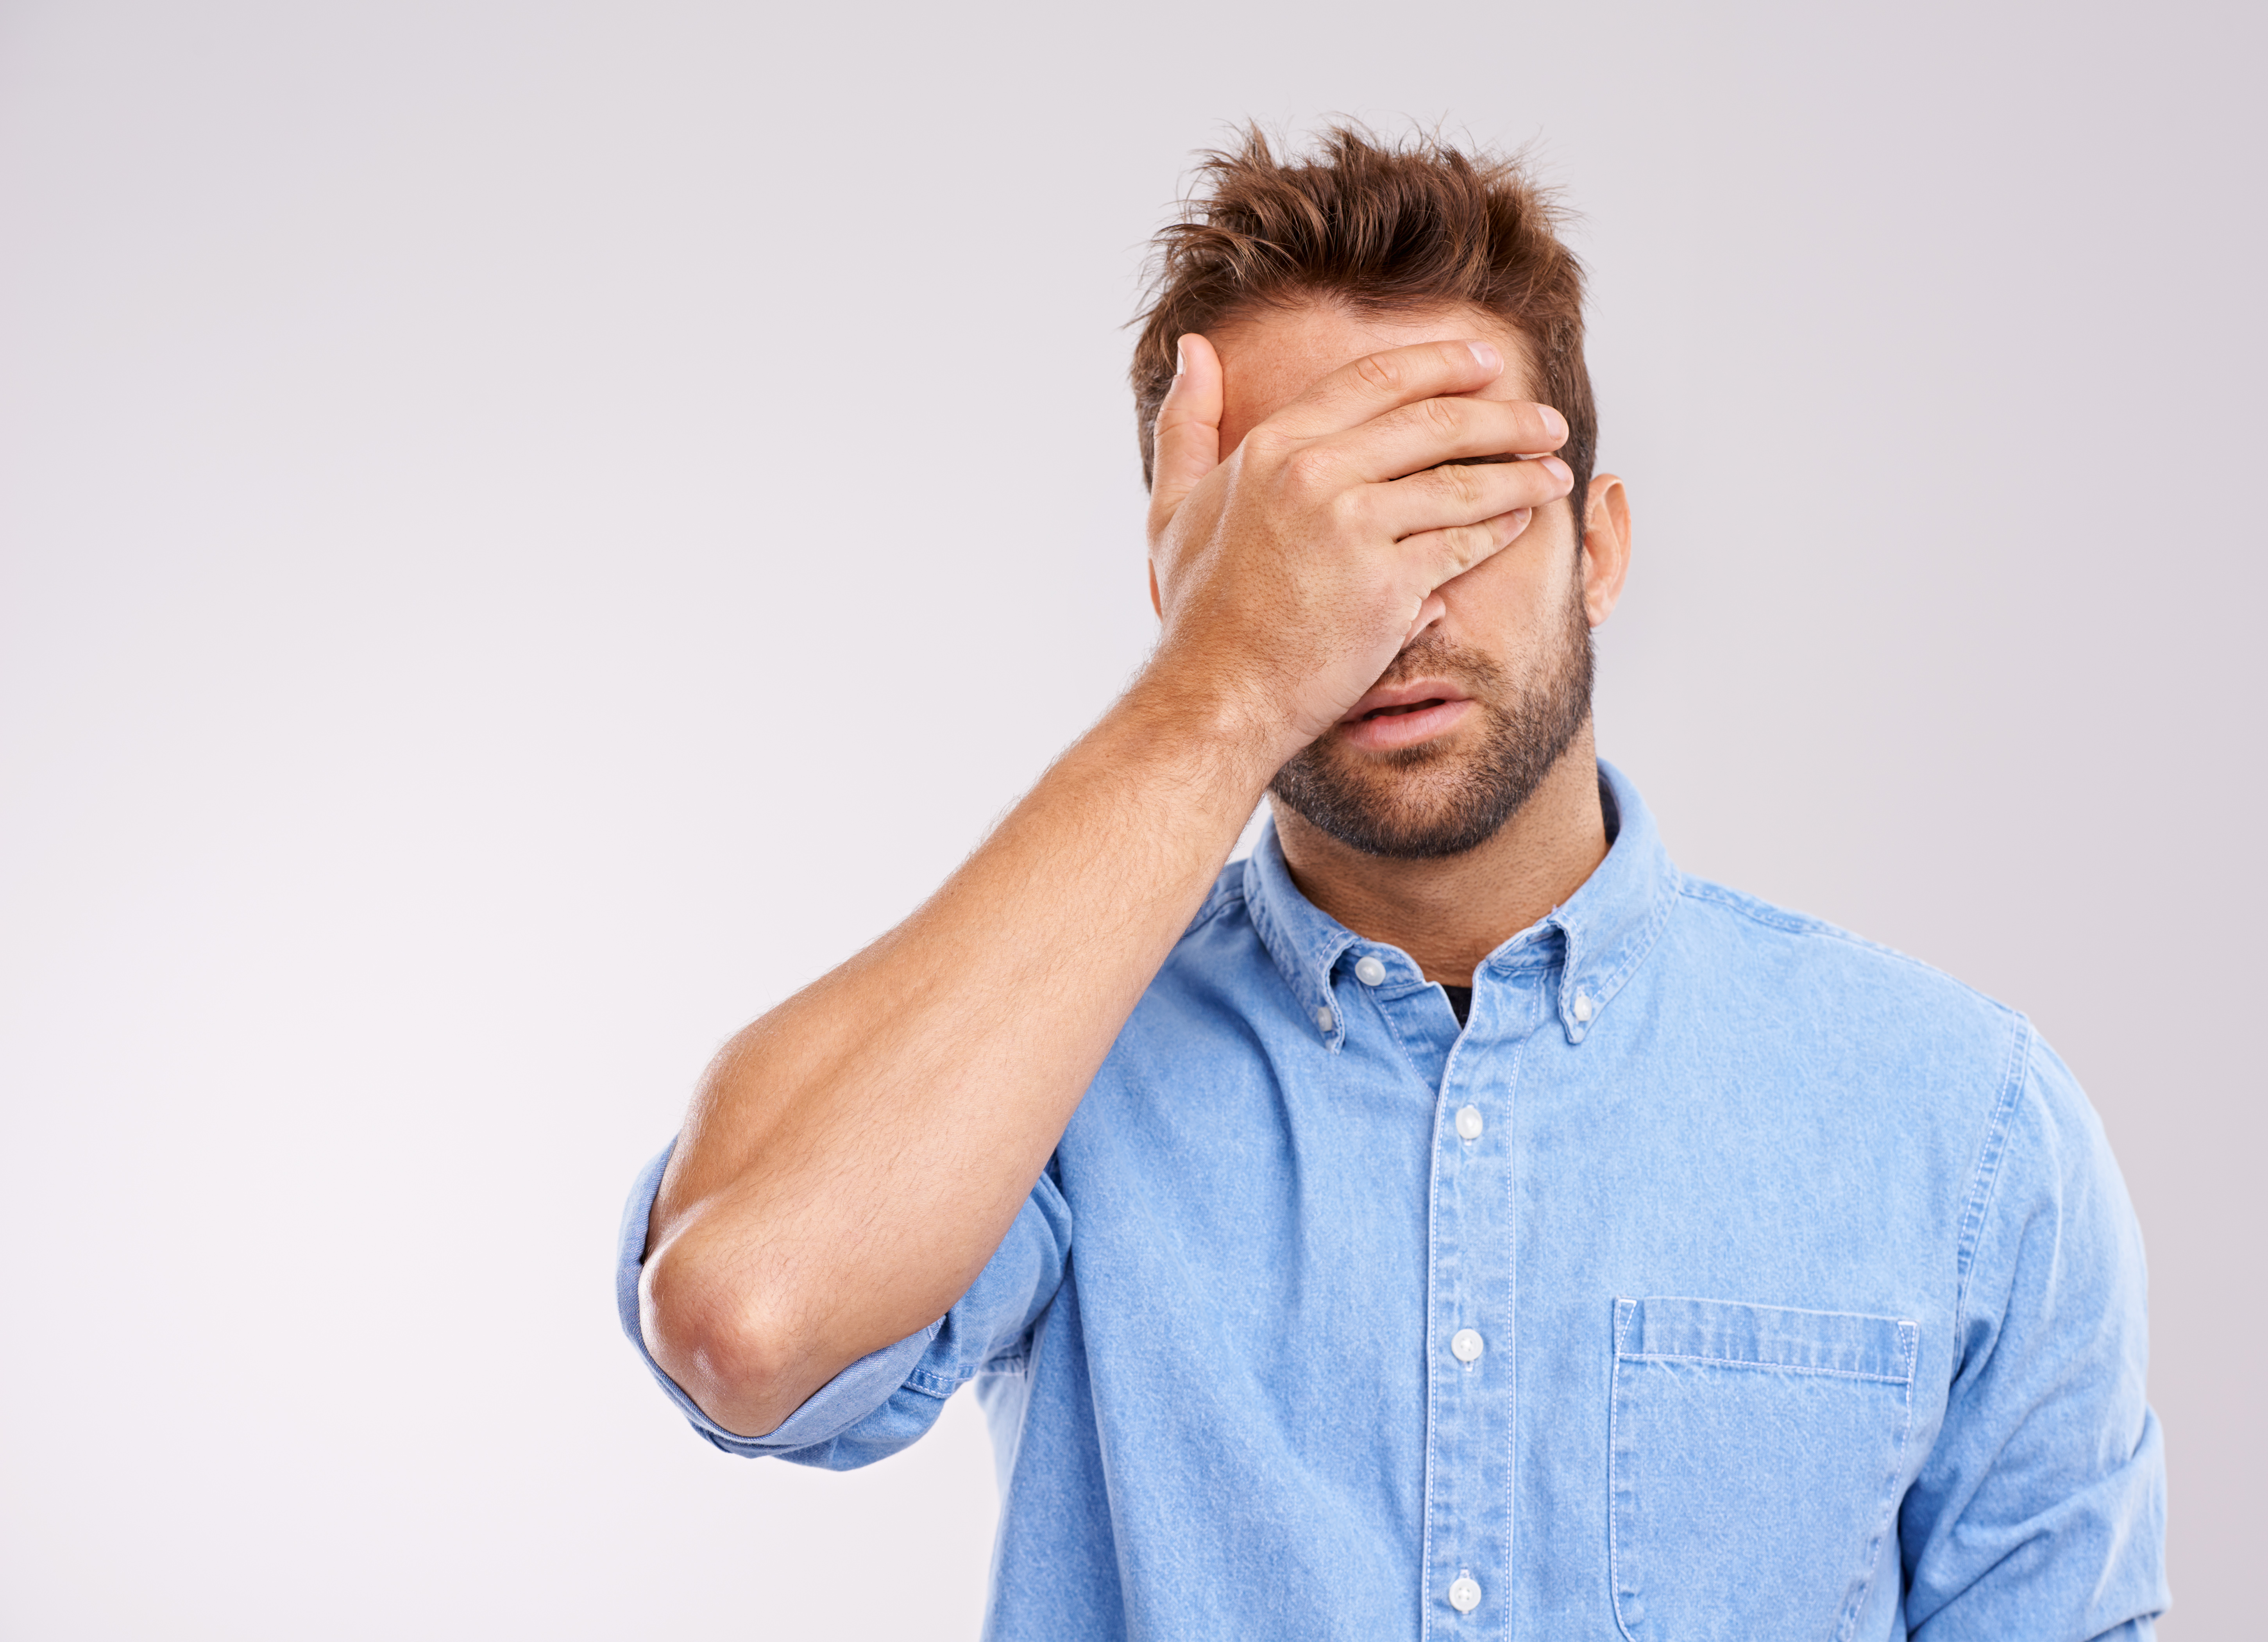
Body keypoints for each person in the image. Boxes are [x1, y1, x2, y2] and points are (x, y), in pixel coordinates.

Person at [614, 126, 2167, 1640]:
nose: (1389, 597)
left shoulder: (1962, 1123)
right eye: (1302, 529)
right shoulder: (1054, 1067)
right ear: (1189, 582)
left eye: (1457, 494)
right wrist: (1216, 687)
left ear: (1597, 545)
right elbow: (748, 1318)